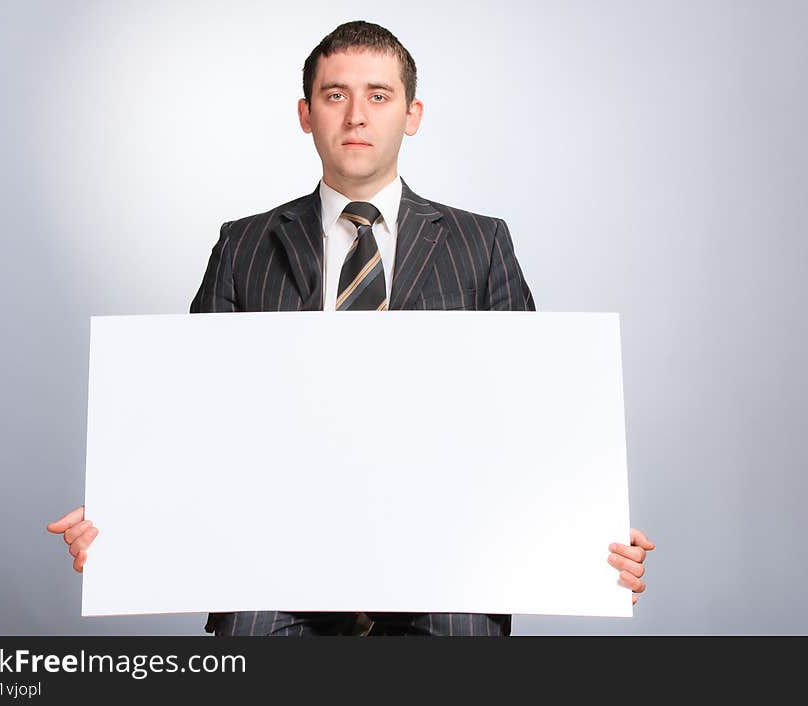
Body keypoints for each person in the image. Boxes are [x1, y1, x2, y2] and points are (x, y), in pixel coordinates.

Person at [47, 20, 655, 636]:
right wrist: (124, 522)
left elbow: (536, 412)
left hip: (445, 566)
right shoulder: (245, 245)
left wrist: (588, 524)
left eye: (379, 95)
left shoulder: (481, 243)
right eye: (336, 95)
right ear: (307, 113)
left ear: (412, 114)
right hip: (278, 563)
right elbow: (188, 410)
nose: (356, 115)